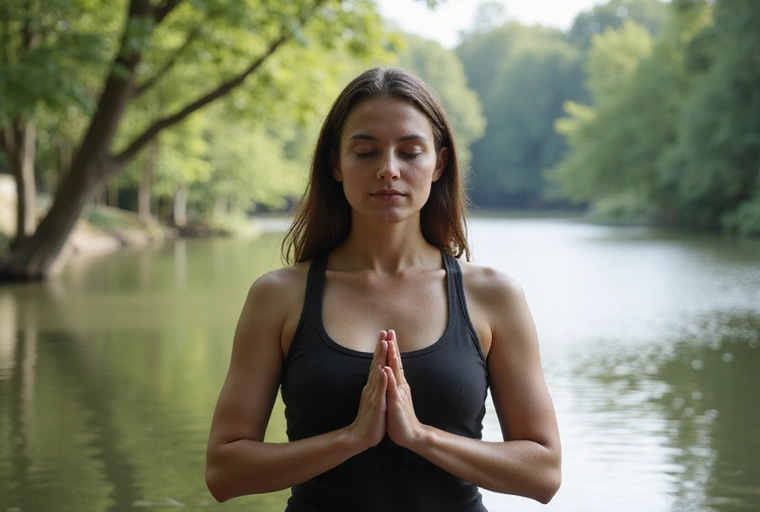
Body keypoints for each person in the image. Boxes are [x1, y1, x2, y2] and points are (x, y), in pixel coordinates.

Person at [205, 67, 561, 511]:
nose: (388, 171)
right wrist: (350, 439)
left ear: (439, 163)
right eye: (366, 152)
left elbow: (543, 473)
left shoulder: (492, 296)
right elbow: (224, 471)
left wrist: (420, 436)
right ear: (336, 163)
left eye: (410, 152)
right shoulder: (279, 296)